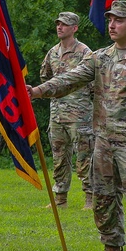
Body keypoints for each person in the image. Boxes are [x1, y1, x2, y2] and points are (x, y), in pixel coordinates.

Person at [28, 0, 126, 251]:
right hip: (103, 141)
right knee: (103, 198)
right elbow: (71, 78)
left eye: (118, 20)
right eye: (110, 19)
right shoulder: (100, 57)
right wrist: (37, 91)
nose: (112, 25)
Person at [38, 12, 93, 209]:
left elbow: (93, 82)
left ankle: (90, 197)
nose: (60, 27)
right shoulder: (52, 52)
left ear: (75, 28)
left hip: (80, 114)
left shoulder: (85, 52)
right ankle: (60, 198)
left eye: (65, 25)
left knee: (85, 156)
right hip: (57, 113)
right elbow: (46, 77)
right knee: (59, 156)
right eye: (58, 24)